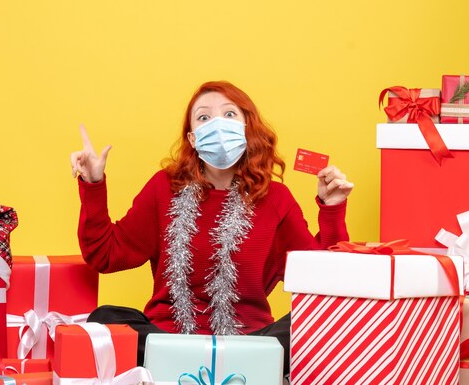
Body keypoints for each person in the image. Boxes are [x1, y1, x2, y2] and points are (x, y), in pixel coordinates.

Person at [70, 81, 353, 374]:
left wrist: (331, 208)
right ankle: (214, 366)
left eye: (229, 115)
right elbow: (104, 254)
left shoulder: (275, 199)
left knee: (315, 323)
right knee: (104, 319)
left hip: (249, 343)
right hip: (168, 340)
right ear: (193, 138)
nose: (217, 124)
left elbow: (323, 279)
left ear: (247, 127)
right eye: (204, 117)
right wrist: (93, 184)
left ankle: (204, 366)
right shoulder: (163, 188)